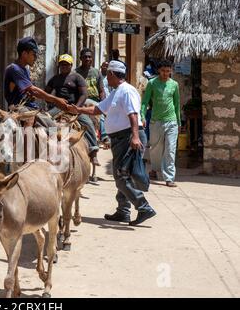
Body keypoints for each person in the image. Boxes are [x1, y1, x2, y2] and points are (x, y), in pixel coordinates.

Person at [63, 60, 157, 226]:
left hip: (129, 137)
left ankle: (143, 207)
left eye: (107, 75)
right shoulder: (116, 92)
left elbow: (133, 115)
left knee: (121, 176)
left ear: (113, 74)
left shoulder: (126, 91)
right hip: (121, 139)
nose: (106, 78)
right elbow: (98, 109)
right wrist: (77, 110)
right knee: (122, 174)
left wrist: (135, 137)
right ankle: (123, 211)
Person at [4, 37, 68, 127]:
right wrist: (56, 100)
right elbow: (33, 90)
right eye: (33, 54)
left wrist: (32, 97)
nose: (36, 58)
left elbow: (27, 92)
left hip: (30, 106)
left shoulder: (25, 70)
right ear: (24, 54)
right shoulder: (14, 69)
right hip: (19, 108)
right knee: (52, 128)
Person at [45, 54, 99, 157]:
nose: (64, 66)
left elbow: (84, 94)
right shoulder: (55, 79)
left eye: (66, 64)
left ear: (71, 65)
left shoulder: (77, 77)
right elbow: (46, 93)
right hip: (58, 108)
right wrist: (50, 102)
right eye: (62, 64)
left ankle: (93, 150)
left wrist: (77, 108)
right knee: (45, 120)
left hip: (75, 107)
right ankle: (46, 147)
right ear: (59, 66)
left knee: (88, 124)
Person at [141, 59, 180, 187]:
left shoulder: (174, 85)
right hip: (155, 121)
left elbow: (177, 105)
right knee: (155, 148)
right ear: (158, 70)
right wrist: (142, 115)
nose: (165, 73)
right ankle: (155, 169)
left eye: (168, 71)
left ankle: (169, 177)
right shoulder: (152, 83)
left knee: (170, 149)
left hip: (171, 121)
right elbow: (145, 102)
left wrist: (178, 122)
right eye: (163, 71)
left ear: (171, 71)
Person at [75, 48, 106, 165]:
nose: (87, 59)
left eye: (89, 57)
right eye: (85, 57)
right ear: (81, 58)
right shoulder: (76, 72)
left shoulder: (96, 72)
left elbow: (101, 90)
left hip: (94, 100)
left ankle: (104, 135)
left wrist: (104, 104)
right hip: (81, 101)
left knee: (101, 115)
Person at [99, 61, 111, 147]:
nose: (105, 68)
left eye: (107, 67)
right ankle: (104, 136)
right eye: (104, 66)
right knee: (102, 117)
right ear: (101, 67)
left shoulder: (109, 78)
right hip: (100, 100)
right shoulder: (98, 76)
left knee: (108, 118)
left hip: (109, 100)